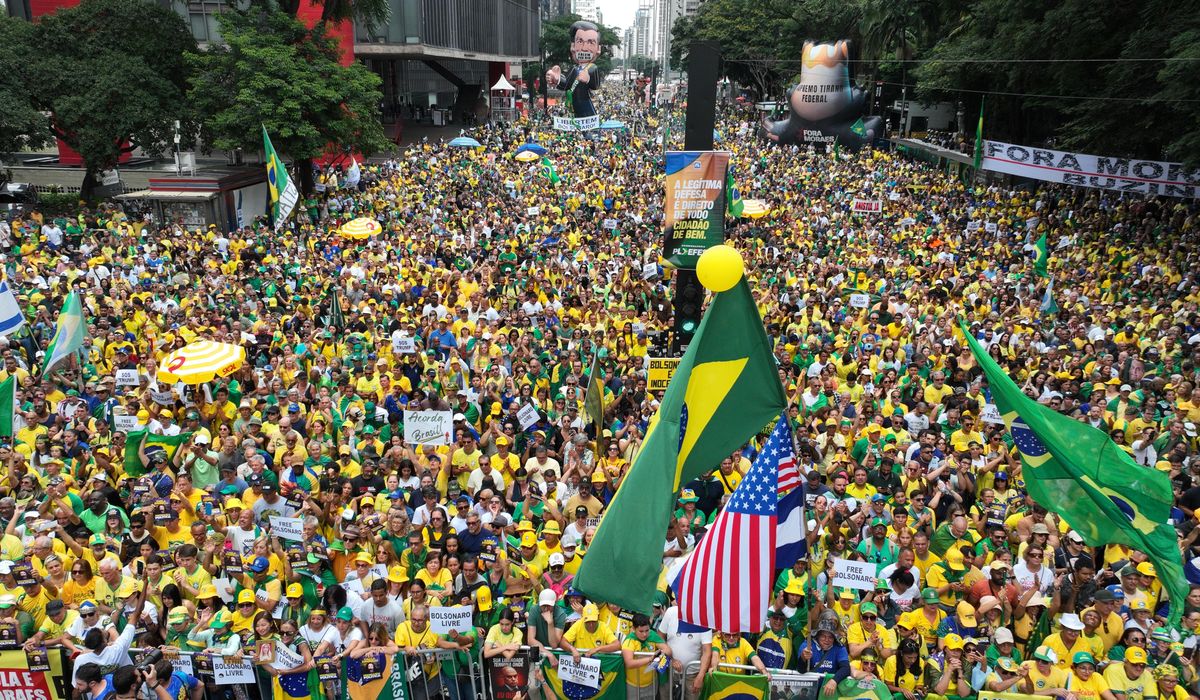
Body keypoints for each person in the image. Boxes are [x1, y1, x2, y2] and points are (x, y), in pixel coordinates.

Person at [622, 613, 671, 700]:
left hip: (651, 684)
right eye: (641, 631)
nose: (644, 634)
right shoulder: (629, 640)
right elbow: (629, 663)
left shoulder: (652, 635)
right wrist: (650, 659)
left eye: (647, 630)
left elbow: (668, 650)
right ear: (633, 629)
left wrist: (661, 655)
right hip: (633, 686)